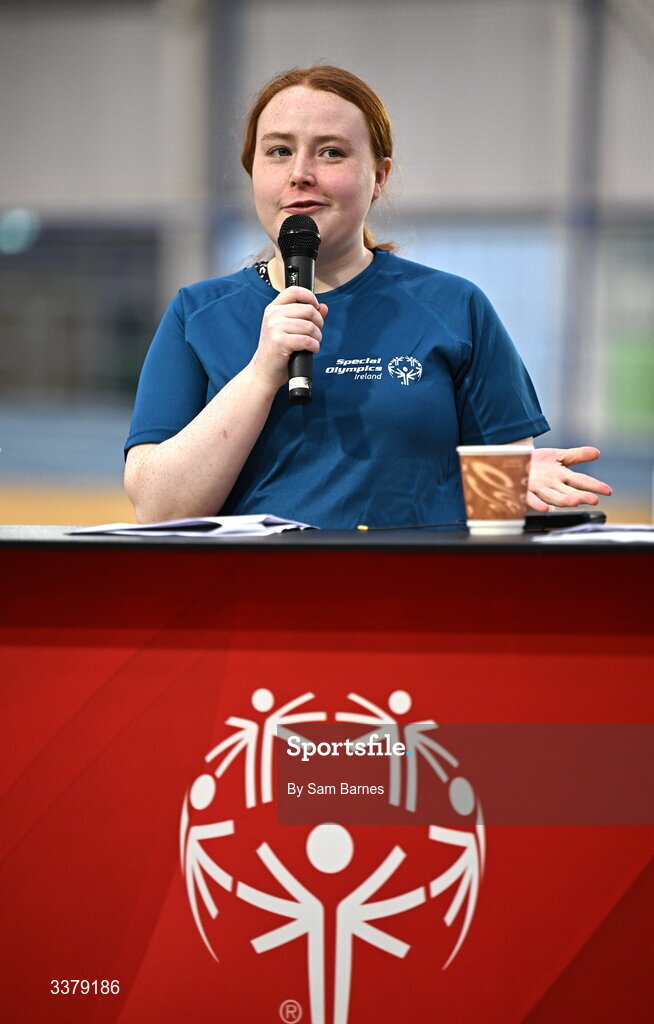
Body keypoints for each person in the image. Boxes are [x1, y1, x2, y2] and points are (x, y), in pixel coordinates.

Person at [124, 65, 611, 528]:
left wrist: (507, 483)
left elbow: (499, 511)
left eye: (331, 152)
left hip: (409, 603)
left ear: (378, 177)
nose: (300, 174)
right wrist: (261, 372)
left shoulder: (452, 308)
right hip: (249, 605)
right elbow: (158, 510)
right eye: (278, 152)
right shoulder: (198, 314)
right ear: (253, 172)